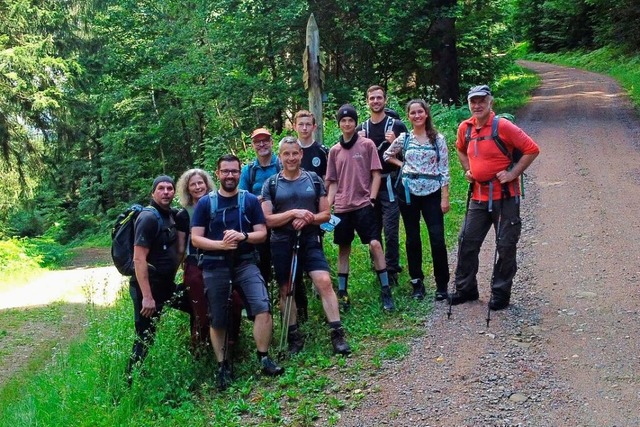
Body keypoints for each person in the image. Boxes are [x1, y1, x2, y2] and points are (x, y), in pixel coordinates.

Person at [191, 154, 284, 390]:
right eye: (225, 171)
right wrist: (220, 245)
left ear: (239, 171)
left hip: (245, 262)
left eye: (234, 171)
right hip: (214, 264)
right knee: (218, 317)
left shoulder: (250, 201)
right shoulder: (205, 204)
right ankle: (223, 366)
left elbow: (262, 233)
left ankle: (263, 357)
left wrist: (243, 237)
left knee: (262, 307)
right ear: (218, 173)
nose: (230, 175)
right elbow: (196, 239)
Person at [450, 85, 540, 310]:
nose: (477, 105)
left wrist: (512, 173)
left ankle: (500, 294)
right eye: (473, 101)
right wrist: (468, 169)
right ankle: (466, 289)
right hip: (478, 197)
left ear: (491, 102)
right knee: (466, 242)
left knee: (506, 245)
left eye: (482, 100)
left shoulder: (503, 126)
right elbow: (460, 149)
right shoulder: (465, 128)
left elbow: (531, 149)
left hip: (506, 196)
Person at [262, 136, 351, 355]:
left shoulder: (313, 179)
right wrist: (293, 213)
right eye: (286, 154)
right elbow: (267, 220)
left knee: (324, 281)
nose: (291, 158)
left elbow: (326, 214)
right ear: (280, 156)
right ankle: (294, 336)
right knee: (286, 289)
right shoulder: (271, 184)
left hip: (310, 240)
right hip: (282, 242)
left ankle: (337, 333)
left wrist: (309, 217)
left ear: (301, 155)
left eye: (295, 153)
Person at [326, 104, 395, 312]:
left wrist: (372, 198)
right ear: (339, 124)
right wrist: (327, 206)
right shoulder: (334, 151)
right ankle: (342, 292)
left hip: (364, 204)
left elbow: (376, 174)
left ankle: (385, 289)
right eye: (343, 121)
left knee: (375, 243)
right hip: (342, 208)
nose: (347, 124)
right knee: (343, 248)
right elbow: (333, 182)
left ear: (355, 123)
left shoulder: (366, 145)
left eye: (350, 120)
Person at [384, 99, 450, 301]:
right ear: (409, 116)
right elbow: (387, 155)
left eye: (420, 112)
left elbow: (444, 168)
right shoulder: (404, 139)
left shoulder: (438, 139)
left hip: (432, 192)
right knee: (413, 238)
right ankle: (417, 283)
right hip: (408, 193)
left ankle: (442, 285)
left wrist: (445, 197)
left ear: (426, 114)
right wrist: (403, 165)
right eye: (413, 113)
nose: (417, 116)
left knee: (437, 238)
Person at [175, 168, 244, 355]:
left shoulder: (218, 205)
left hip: (220, 262)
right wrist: (178, 270)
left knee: (235, 302)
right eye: (193, 184)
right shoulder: (183, 214)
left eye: (200, 183)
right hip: (195, 265)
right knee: (201, 310)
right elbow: (182, 247)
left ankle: (231, 346)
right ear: (187, 189)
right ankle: (202, 349)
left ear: (207, 184)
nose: (198, 187)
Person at [127, 175, 181, 378]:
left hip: (166, 286)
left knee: (196, 304)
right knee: (144, 337)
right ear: (153, 193)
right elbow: (139, 259)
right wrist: (147, 297)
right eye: (161, 188)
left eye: (169, 188)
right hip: (147, 289)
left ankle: (200, 353)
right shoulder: (148, 218)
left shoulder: (170, 215)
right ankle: (129, 382)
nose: (166, 192)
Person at [356, 86, 408, 286]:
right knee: (373, 229)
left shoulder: (396, 125)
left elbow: (409, 156)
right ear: (367, 101)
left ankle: (392, 268)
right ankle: (378, 266)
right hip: (369, 184)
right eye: (372, 98)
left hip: (390, 182)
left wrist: (395, 143)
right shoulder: (362, 129)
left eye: (379, 98)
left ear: (385, 100)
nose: (376, 101)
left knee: (391, 228)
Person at [293, 109, 330, 322]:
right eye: (301, 124)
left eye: (308, 124)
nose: (305, 128)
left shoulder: (321, 152)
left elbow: (327, 180)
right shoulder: (289, 151)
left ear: (314, 126)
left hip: (315, 211)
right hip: (291, 211)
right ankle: (301, 292)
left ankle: (318, 286)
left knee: (316, 247)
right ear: (295, 126)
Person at [239, 127, 281, 286]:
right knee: (262, 269)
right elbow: (242, 199)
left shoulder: (281, 165)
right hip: (258, 228)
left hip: (281, 224)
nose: (262, 144)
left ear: (271, 142)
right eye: (258, 142)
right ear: (252, 145)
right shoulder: (248, 170)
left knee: (286, 268)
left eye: (265, 141)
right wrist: (259, 200)